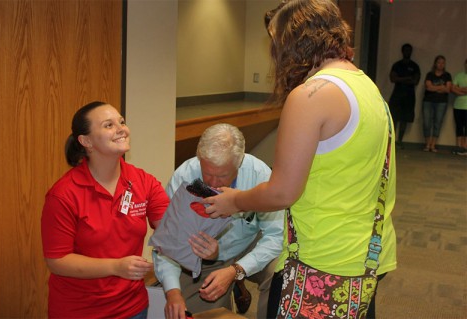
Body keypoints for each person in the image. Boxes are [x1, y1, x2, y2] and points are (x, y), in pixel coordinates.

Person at [202, 1, 397, 318]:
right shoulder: (365, 85)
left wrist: (235, 200)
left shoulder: (312, 95)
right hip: (368, 254)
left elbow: (283, 191)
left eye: (275, 43)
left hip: (325, 260)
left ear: (292, 43)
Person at [41, 101, 170, 318]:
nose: (121, 129)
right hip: (79, 310)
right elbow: (57, 261)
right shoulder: (64, 194)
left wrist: (202, 236)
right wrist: (116, 267)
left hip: (133, 307)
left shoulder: (143, 182)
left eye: (121, 122)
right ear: (86, 141)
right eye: (108, 125)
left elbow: (170, 229)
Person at [153, 123, 283, 319]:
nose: (213, 184)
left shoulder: (259, 174)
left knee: (280, 274)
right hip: (202, 257)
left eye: (222, 176)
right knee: (186, 313)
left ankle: (238, 281)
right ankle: (235, 287)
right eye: (207, 174)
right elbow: (167, 244)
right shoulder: (184, 175)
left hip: (248, 245)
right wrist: (172, 291)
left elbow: (276, 235)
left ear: (239, 164)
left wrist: (236, 270)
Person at [388, 43, 421, 148]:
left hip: (409, 96)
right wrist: (407, 78)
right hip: (397, 95)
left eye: (409, 50)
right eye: (406, 50)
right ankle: (392, 140)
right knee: (394, 117)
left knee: (404, 118)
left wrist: (401, 78)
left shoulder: (414, 66)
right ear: (402, 51)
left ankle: (400, 141)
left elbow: (415, 81)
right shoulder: (397, 65)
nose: (407, 52)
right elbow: (393, 79)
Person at [421, 55, 452, 152]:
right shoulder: (430, 74)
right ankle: (427, 144)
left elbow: (447, 89)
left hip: (441, 102)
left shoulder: (447, 75)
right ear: (435, 63)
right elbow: (428, 87)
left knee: (437, 122)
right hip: (428, 101)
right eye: (439, 62)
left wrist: (435, 88)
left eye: (443, 62)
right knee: (427, 122)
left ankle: (433, 145)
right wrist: (440, 87)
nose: (441, 64)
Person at [451, 58, 467, 156]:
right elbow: (452, 88)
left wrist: (459, 89)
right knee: (459, 126)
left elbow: (456, 88)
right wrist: (464, 90)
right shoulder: (459, 75)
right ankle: (459, 147)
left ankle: (465, 147)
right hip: (458, 106)